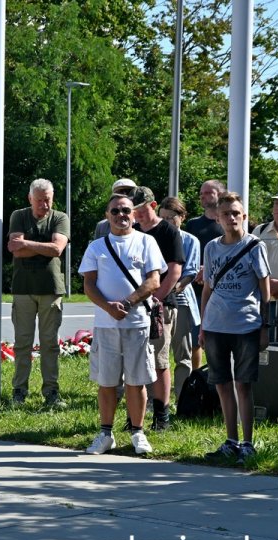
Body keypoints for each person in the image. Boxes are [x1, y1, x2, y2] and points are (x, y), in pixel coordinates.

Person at [79, 193, 165, 456]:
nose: (121, 215)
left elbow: (154, 281)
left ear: (134, 214)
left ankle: (137, 432)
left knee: (136, 381)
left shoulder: (146, 242)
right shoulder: (97, 247)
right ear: (107, 216)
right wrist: (108, 307)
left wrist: (126, 304)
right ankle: (105, 434)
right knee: (106, 382)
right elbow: (89, 285)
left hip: (137, 322)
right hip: (106, 325)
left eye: (126, 210)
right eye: (115, 211)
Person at [200, 192, 270, 463]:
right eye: (226, 213)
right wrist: (203, 325)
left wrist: (266, 325)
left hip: (246, 325)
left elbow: (266, 290)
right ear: (218, 218)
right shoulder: (212, 248)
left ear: (244, 216)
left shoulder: (255, 246)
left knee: (243, 384)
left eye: (236, 213)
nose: (231, 218)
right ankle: (230, 440)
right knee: (222, 384)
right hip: (216, 325)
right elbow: (207, 288)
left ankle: (247, 442)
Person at [7, 178, 70, 408]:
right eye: (40, 200)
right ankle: (19, 390)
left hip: (51, 289)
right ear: (30, 198)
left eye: (48, 200)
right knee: (22, 342)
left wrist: (28, 244)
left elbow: (57, 249)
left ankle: (51, 391)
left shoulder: (60, 218)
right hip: (23, 288)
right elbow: (14, 249)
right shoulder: (18, 215)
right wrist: (41, 247)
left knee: (49, 343)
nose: (44, 205)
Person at [131, 186, 184, 430]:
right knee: (135, 360)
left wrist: (156, 300)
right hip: (134, 304)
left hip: (161, 304)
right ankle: (136, 415)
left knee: (160, 361)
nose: (137, 215)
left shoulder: (168, 231)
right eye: (134, 211)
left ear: (153, 207)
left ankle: (162, 415)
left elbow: (174, 271)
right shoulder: (131, 231)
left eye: (141, 210)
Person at [158, 197, 202, 399]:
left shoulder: (190, 240)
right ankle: (155, 397)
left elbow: (190, 273)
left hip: (181, 301)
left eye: (171, 217)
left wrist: (169, 290)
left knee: (182, 353)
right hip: (155, 300)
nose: (167, 222)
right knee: (157, 353)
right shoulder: (153, 237)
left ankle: (183, 398)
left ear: (182, 217)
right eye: (163, 217)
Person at [187, 179, 226, 370]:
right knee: (196, 337)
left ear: (220, 194)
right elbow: (186, 255)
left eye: (208, 192)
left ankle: (218, 375)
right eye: (201, 193)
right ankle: (196, 378)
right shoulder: (193, 224)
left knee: (220, 338)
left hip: (222, 290)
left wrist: (209, 269)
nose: (202, 196)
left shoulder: (227, 225)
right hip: (196, 288)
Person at [254, 189, 278, 301]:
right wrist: (268, 285)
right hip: (262, 299)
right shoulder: (260, 231)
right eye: (276, 203)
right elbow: (249, 262)